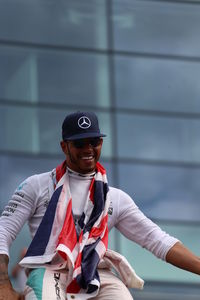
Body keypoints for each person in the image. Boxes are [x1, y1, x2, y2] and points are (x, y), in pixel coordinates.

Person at [0, 111, 200, 300]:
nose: (88, 149)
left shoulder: (116, 198)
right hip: (49, 270)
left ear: (101, 143)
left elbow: (158, 241)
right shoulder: (36, 185)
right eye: (79, 143)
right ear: (64, 146)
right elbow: (3, 232)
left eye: (94, 142)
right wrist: (3, 285)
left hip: (94, 272)